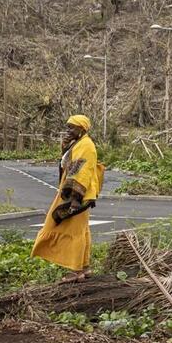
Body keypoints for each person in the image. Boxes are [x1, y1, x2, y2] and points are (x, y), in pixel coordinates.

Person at [31, 114, 105, 282]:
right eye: (68, 126)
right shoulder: (79, 144)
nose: (68, 130)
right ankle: (84, 267)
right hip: (78, 194)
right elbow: (68, 165)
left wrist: (74, 199)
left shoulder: (86, 145)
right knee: (80, 230)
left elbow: (82, 172)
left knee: (71, 230)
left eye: (72, 127)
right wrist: (65, 148)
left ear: (82, 128)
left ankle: (75, 270)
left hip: (77, 195)